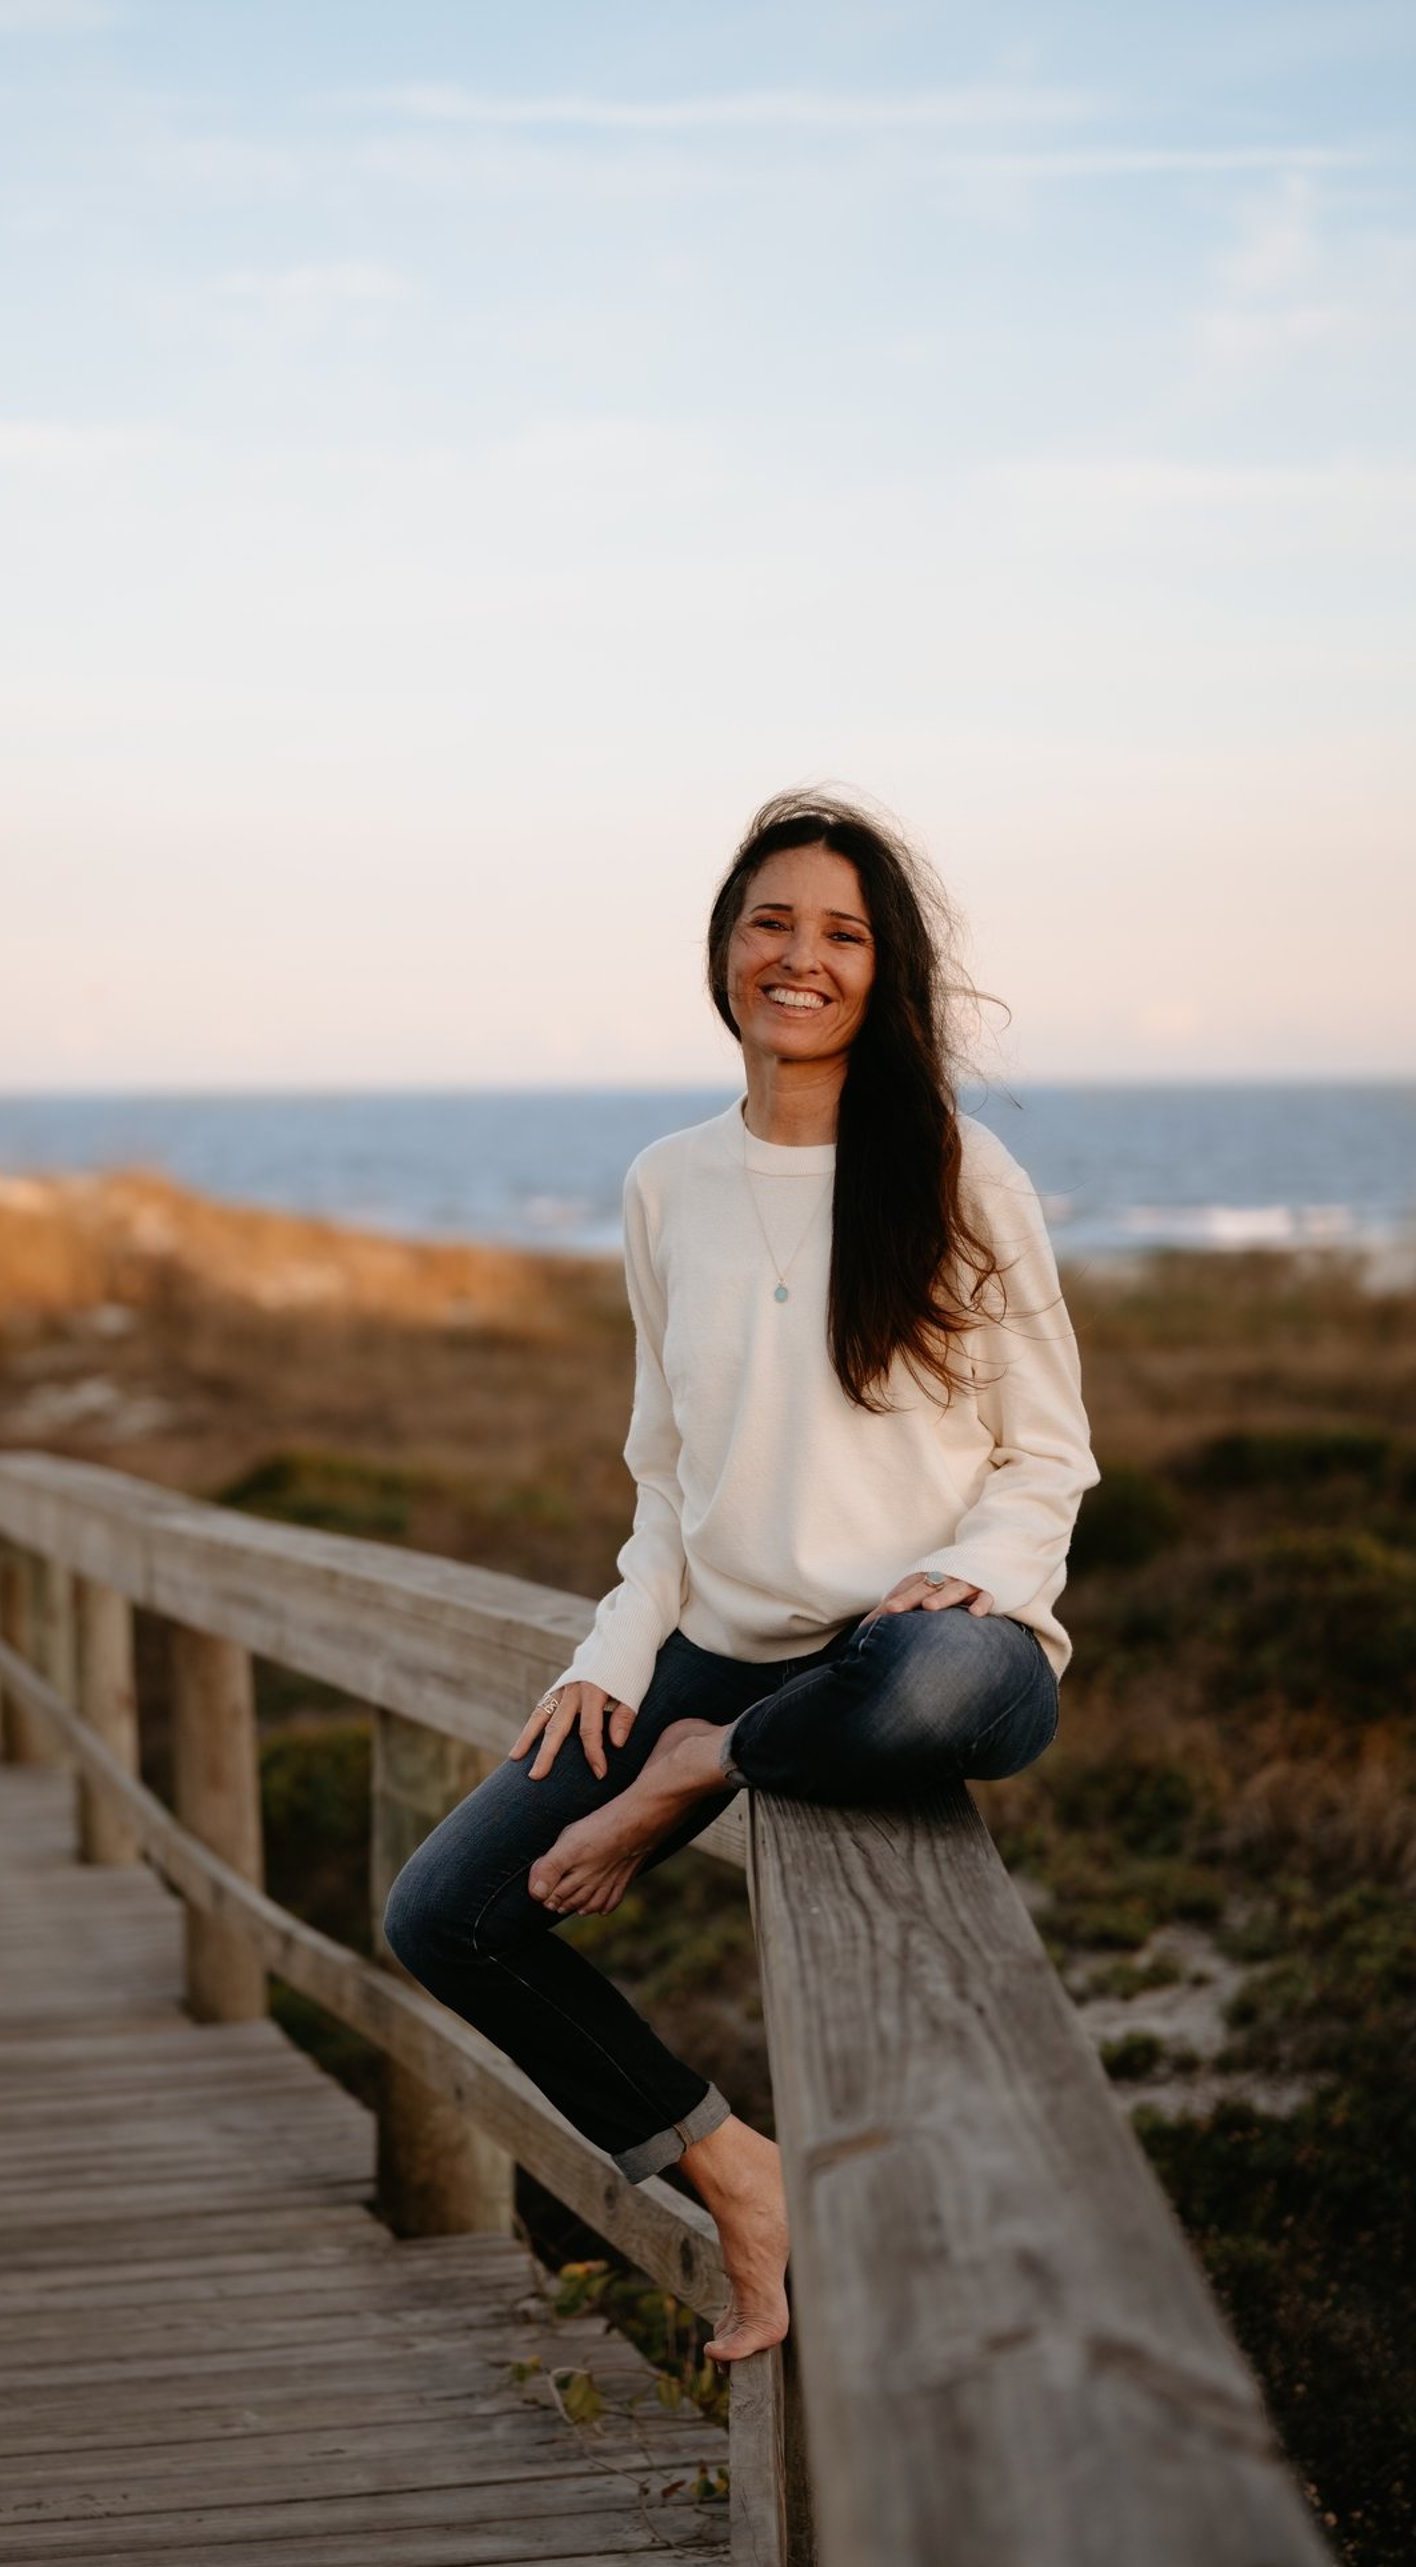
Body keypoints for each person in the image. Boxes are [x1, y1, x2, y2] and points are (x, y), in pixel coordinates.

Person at [383, 789, 1099, 2361]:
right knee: (445, 1914)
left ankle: (713, 1770)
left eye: (841, 934)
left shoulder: (965, 1177)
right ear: (724, 949)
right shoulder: (667, 1184)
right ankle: (734, 2169)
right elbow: (666, 1481)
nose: (801, 957)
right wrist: (614, 1661)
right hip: (728, 1652)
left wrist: (969, 1580)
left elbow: (1048, 1461)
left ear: (881, 971)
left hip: (938, 1650)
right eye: (772, 922)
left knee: (915, 1686)